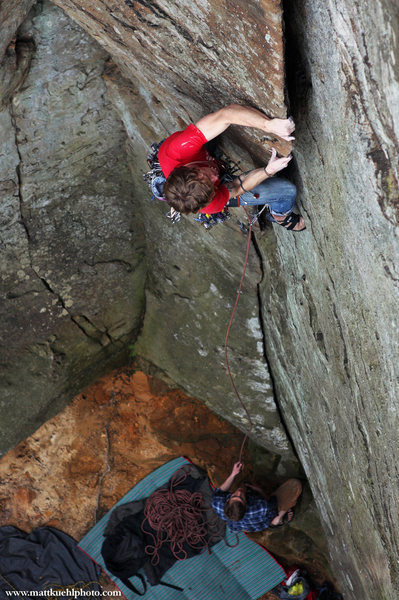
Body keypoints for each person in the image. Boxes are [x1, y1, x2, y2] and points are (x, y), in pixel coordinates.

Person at [158, 104, 305, 231]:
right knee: (286, 191)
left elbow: (226, 114)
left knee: (215, 122)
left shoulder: (179, 149)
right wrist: (267, 171)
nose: (215, 177)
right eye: (213, 185)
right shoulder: (210, 203)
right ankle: (279, 215)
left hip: (195, 152)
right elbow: (236, 187)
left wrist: (268, 125)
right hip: (219, 188)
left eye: (207, 176)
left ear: (190, 168)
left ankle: (208, 157)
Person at [211, 461, 302, 532]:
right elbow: (271, 502)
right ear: (246, 505)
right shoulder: (260, 508)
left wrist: (233, 474)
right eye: (241, 497)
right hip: (264, 519)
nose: (239, 491)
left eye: (234, 495)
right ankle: (276, 521)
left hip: (245, 526)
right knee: (295, 485)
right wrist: (259, 490)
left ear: (227, 502)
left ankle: (247, 525)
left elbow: (219, 491)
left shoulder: (217, 504)